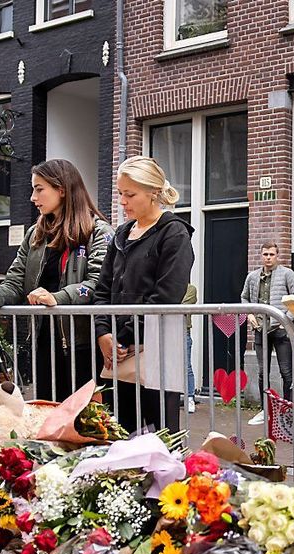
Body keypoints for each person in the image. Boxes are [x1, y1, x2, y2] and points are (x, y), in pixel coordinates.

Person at [0, 158, 112, 401]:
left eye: (39, 189)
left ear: (62, 189)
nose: (33, 198)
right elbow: (14, 282)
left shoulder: (99, 232)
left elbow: (97, 284)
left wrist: (57, 298)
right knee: (47, 414)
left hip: (84, 344)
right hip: (44, 343)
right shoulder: (35, 234)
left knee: (85, 421)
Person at [94, 156, 193, 434]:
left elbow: (166, 296)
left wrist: (122, 338)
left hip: (156, 349)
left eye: (129, 194)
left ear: (152, 193)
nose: (122, 202)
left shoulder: (174, 234)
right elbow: (103, 288)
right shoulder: (122, 233)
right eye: (120, 194)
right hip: (119, 351)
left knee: (159, 435)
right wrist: (104, 333)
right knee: (119, 431)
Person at [241, 240, 294, 425]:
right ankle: (265, 410)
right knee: (262, 372)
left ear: (277, 256)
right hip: (260, 329)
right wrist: (249, 313)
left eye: (271, 254)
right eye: (265, 254)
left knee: (286, 372)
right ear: (261, 255)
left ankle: (289, 411)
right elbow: (244, 297)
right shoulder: (252, 277)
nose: (268, 258)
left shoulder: (287, 274)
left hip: (280, 329)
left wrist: (286, 320)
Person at [182, 283, 197, 414]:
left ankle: (190, 397)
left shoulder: (190, 289)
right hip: (166, 330)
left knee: (187, 366)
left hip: (183, 331)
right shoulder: (166, 286)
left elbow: (183, 307)